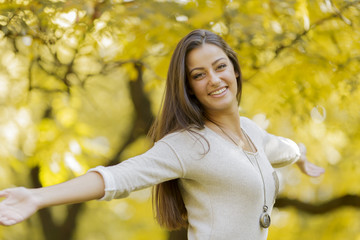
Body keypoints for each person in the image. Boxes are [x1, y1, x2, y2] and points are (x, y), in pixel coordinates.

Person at [0, 29, 324, 239]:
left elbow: (284, 148)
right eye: (199, 75)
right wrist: (37, 197)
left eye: (220, 66)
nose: (213, 79)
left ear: (235, 69)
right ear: (190, 89)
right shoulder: (189, 144)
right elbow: (117, 177)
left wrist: (302, 160)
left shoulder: (253, 132)